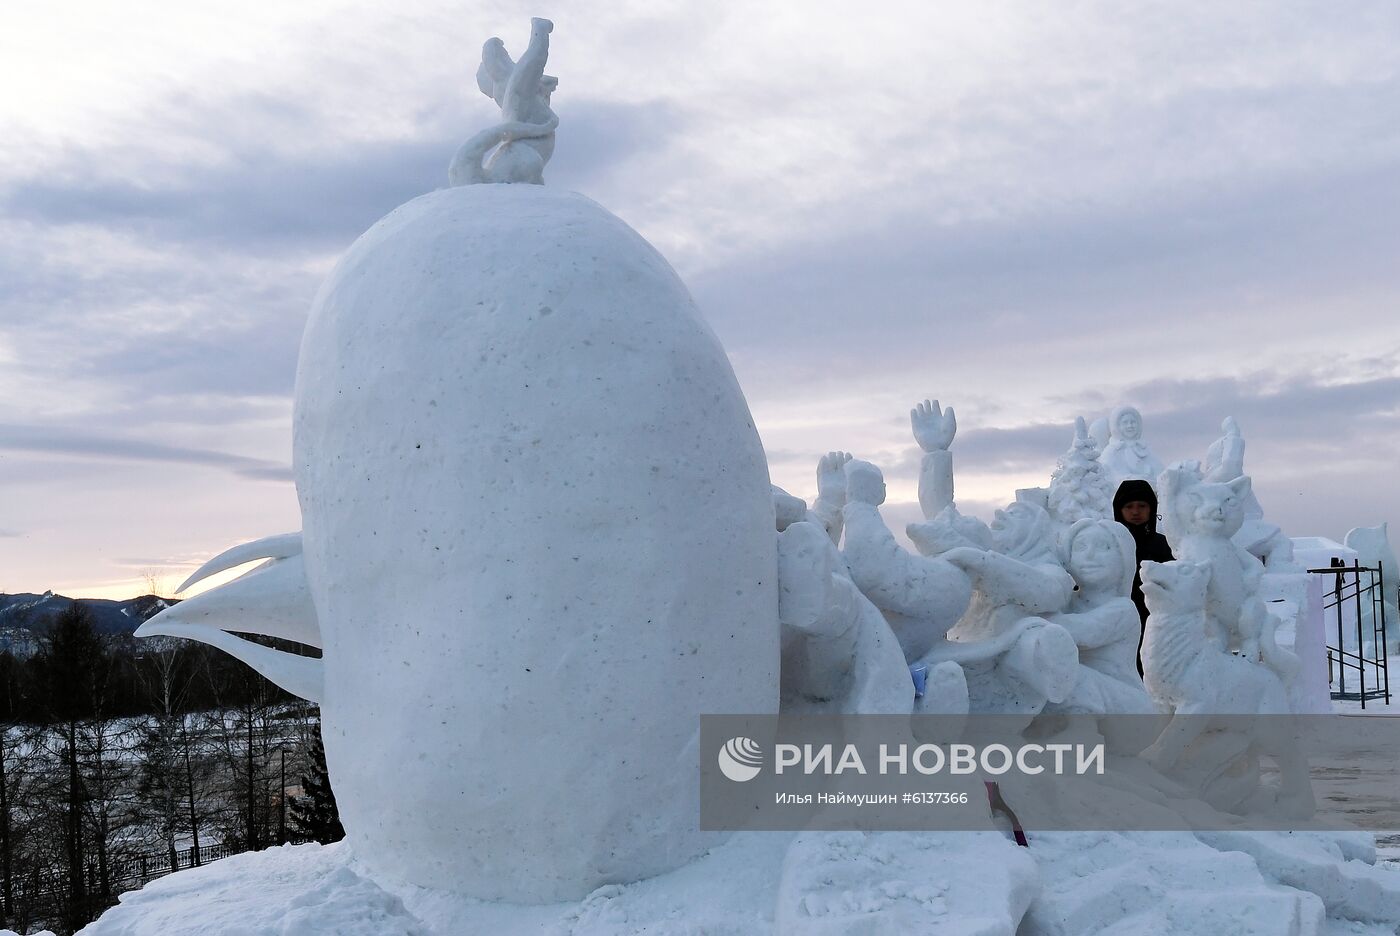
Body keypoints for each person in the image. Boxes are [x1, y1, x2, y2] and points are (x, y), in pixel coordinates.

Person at [1113, 478, 1173, 674]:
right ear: (1119, 510)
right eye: (1129, 506)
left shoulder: (1165, 545)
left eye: (1142, 505)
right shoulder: (1109, 544)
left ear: (1152, 508)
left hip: (1157, 626)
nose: (1135, 511)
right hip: (1119, 625)